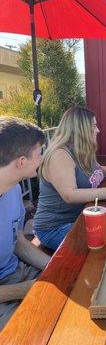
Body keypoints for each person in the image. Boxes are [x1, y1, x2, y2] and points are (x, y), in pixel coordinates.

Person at [33, 106, 106, 251]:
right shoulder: (60, 155)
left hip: (81, 216)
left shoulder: (80, 149)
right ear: (81, 129)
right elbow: (69, 195)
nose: (98, 130)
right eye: (94, 126)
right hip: (56, 227)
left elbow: (96, 169)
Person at [0, 117, 50, 330]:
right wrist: (26, 289)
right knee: (35, 333)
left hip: (17, 272)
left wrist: (54, 266)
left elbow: (17, 240)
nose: (42, 158)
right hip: (7, 292)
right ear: (21, 161)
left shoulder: (13, 188)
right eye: (39, 153)